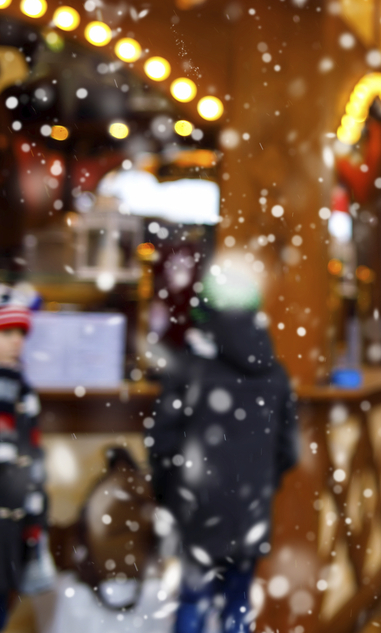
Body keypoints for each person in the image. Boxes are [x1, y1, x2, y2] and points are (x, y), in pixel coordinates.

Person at [148, 263, 298, 633]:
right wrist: (259, 486)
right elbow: (289, 451)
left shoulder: (188, 369)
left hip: (197, 510)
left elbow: (162, 444)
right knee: (239, 606)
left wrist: (170, 494)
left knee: (193, 604)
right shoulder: (274, 370)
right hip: (251, 511)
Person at [0, 286, 50, 630]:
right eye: (7, 332)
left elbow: (30, 454)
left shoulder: (23, 389)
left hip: (15, 524)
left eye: (21, 332)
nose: (16, 340)